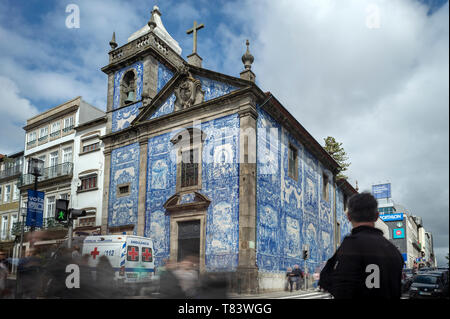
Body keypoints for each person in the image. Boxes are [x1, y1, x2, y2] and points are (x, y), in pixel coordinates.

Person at [319, 192, 404, 299]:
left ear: (348, 216)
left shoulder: (350, 246)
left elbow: (329, 281)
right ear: (377, 216)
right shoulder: (394, 251)